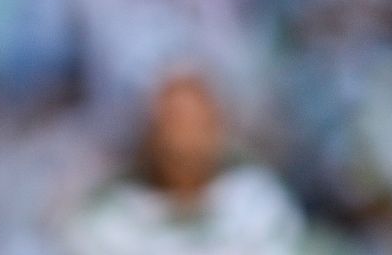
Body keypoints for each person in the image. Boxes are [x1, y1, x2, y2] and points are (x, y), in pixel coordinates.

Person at [62, 70, 304, 255]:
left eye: (197, 124)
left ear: (218, 129)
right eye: (173, 122)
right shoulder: (109, 218)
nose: (183, 141)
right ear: (149, 133)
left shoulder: (256, 202)